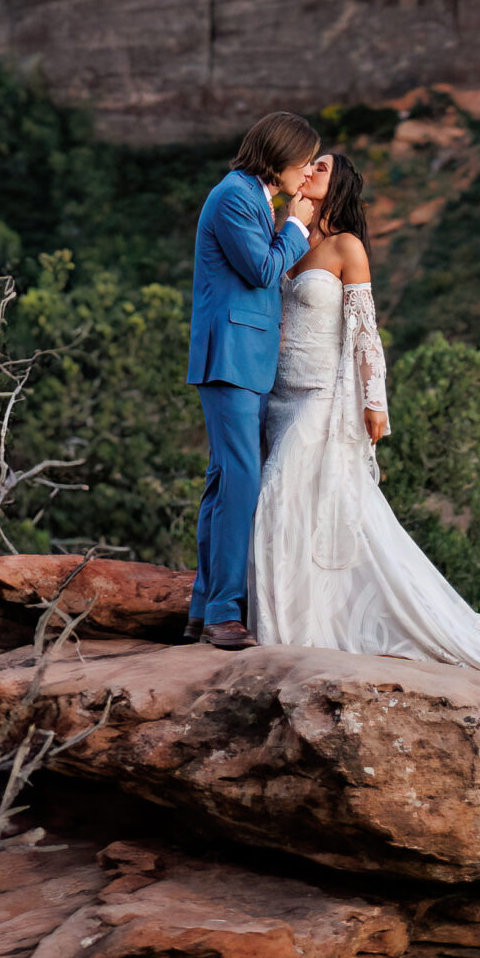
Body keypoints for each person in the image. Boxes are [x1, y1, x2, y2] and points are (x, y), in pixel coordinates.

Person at [248, 150, 480, 687]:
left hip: (322, 396)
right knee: (289, 502)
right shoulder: (289, 239)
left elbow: (365, 329)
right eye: (308, 165)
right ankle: (293, 618)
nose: (310, 171)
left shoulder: (347, 247)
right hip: (280, 395)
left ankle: (316, 627)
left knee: (289, 492)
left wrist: (374, 400)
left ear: (337, 187)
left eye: (321, 168)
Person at [186, 110, 323, 649]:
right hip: (231, 358)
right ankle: (223, 614)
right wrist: (295, 226)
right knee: (240, 480)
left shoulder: (250, 195)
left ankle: (202, 608)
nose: (308, 173)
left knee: (224, 481)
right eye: (305, 162)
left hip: (248, 359)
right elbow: (262, 270)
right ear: (282, 157)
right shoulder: (234, 196)